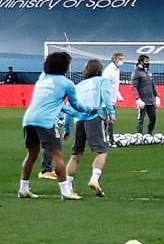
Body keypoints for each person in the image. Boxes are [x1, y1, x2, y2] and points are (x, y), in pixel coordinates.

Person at [18, 51, 97, 200]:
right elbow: (76, 105)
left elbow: (58, 103)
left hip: (28, 119)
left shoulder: (42, 78)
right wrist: (89, 109)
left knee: (31, 154)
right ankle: (65, 191)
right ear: (64, 66)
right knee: (57, 155)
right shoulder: (67, 83)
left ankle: (23, 188)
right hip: (45, 121)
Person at [64, 59, 117, 198]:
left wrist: (67, 128)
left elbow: (70, 106)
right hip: (93, 117)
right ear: (99, 70)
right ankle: (94, 179)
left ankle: (67, 187)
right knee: (102, 152)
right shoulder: (102, 81)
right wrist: (112, 114)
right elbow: (106, 97)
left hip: (78, 120)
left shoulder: (78, 85)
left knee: (75, 155)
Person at [132, 54, 159, 134]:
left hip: (150, 100)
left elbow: (153, 85)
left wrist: (157, 96)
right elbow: (134, 87)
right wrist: (138, 99)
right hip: (142, 101)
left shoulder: (149, 72)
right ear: (141, 61)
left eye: (148, 61)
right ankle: (139, 136)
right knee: (140, 119)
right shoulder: (136, 73)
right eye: (146, 61)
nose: (147, 63)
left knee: (153, 118)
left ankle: (149, 133)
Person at [101, 53, 124, 142]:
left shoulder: (117, 70)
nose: (121, 61)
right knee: (107, 121)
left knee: (110, 120)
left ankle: (110, 139)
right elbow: (105, 85)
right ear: (114, 59)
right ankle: (105, 139)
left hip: (112, 99)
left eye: (122, 59)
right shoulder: (108, 70)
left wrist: (118, 96)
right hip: (107, 100)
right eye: (120, 59)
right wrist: (107, 99)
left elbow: (114, 85)